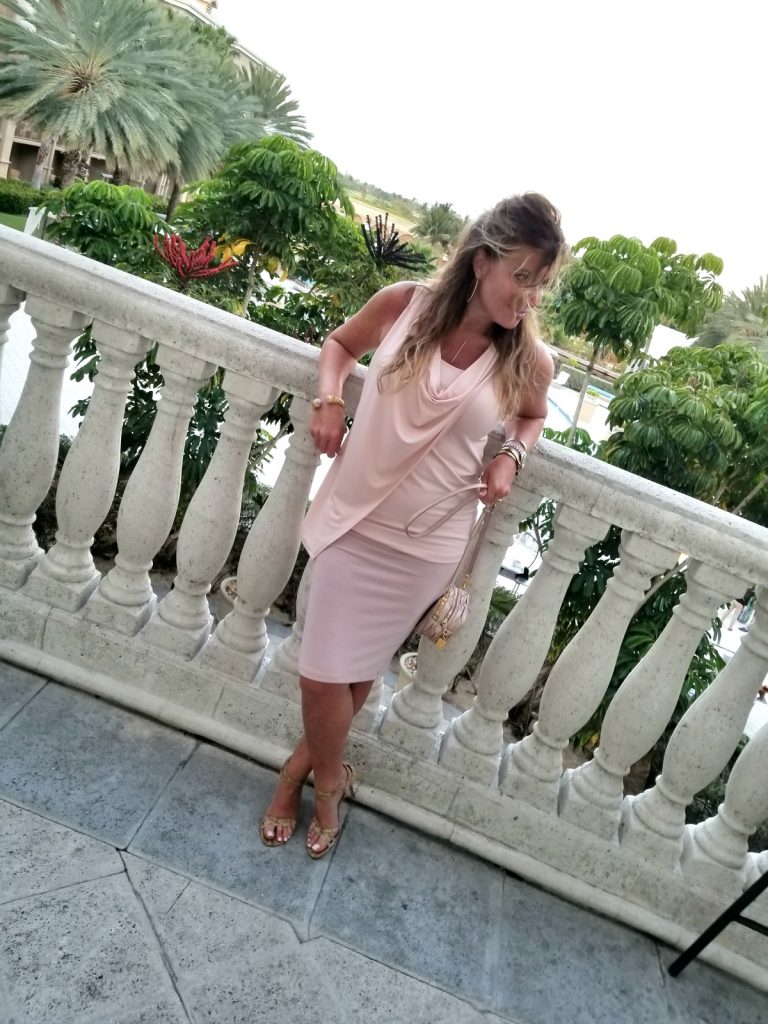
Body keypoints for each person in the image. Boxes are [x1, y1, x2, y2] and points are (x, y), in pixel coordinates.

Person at [260, 193, 568, 857]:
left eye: (541, 284)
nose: (529, 298)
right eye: (520, 276)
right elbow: (340, 345)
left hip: (429, 542)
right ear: (482, 262)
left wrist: (511, 456)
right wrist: (329, 398)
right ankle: (327, 780)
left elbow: (532, 416)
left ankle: (301, 777)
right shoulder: (405, 305)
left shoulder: (528, 360)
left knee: (352, 675)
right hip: (355, 517)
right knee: (321, 675)